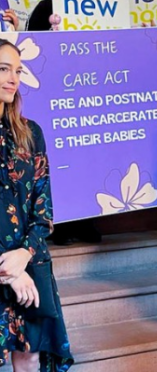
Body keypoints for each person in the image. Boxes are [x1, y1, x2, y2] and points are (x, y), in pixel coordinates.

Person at [0, 38, 74, 371]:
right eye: (3, 69)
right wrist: (8, 271)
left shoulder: (32, 134)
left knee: (29, 352)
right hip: (8, 267)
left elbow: (43, 210)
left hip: (31, 259)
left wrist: (24, 255)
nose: (12, 78)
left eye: (17, 70)